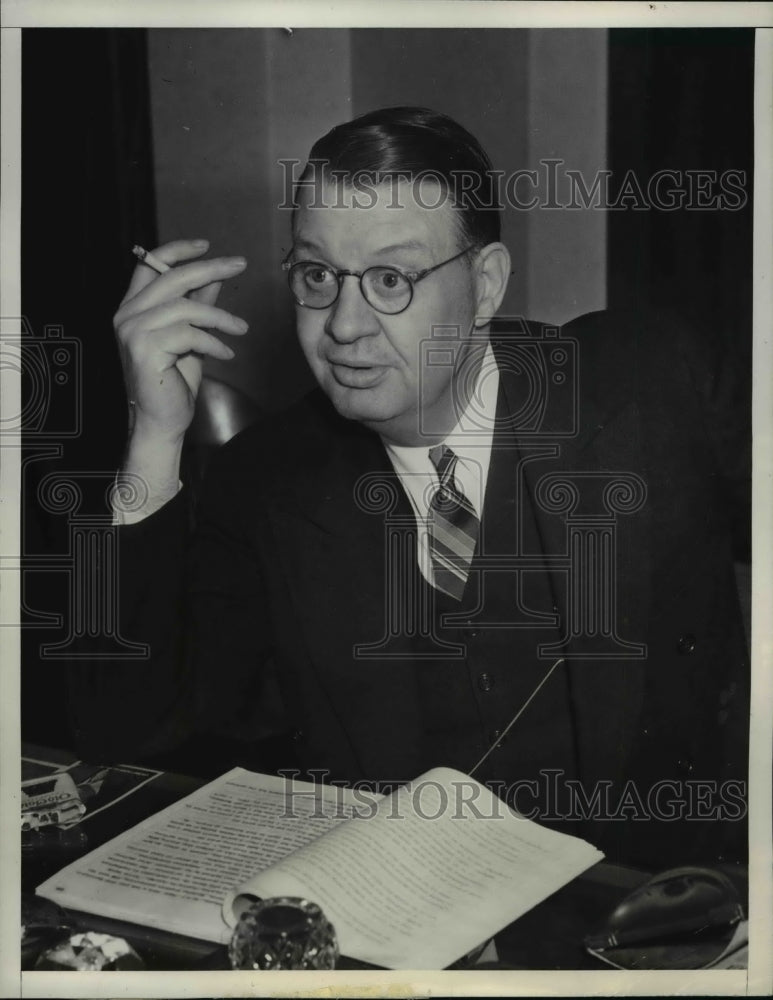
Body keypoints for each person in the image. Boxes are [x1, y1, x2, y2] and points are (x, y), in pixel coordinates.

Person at [68, 107, 750, 868]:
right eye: (318, 276)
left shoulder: (651, 384)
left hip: (656, 899)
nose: (344, 326)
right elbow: (127, 734)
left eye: (390, 279)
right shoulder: (265, 477)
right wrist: (153, 435)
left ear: (485, 286)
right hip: (401, 912)